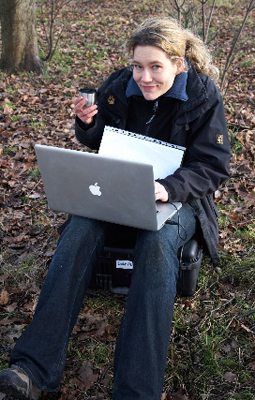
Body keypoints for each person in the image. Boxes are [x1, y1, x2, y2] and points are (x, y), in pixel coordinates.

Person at [0, 17, 230, 399]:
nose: (145, 77)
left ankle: (136, 391)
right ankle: (32, 370)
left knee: (156, 247)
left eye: (156, 67)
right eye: (138, 66)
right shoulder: (119, 85)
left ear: (179, 64)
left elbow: (212, 166)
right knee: (78, 230)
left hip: (179, 200)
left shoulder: (204, 96)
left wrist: (167, 188)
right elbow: (99, 137)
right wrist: (87, 123)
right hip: (114, 191)